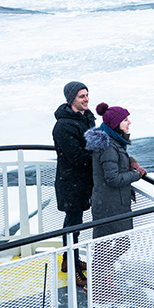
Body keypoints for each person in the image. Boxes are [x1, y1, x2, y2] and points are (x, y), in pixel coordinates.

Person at [84, 102, 146, 297]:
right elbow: (113, 178)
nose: (129, 123)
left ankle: (100, 284)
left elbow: (118, 160)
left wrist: (131, 161)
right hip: (110, 205)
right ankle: (98, 286)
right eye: (126, 120)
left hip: (111, 203)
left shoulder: (112, 141)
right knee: (115, 244)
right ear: (116, 124)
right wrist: (137, 175)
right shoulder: (108, 146)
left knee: (105, 246)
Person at [52, 81, 95, 287]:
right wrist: (99, 156)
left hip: (85, 180)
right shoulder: (63, 126)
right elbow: (76, 156)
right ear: (71, 99)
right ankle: (71, 263)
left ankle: (71, 260)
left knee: (74, 223)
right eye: (81, 96)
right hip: (71, 182)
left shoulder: (87, 117)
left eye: (87, 95)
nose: (86, 99)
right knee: (73, 225)